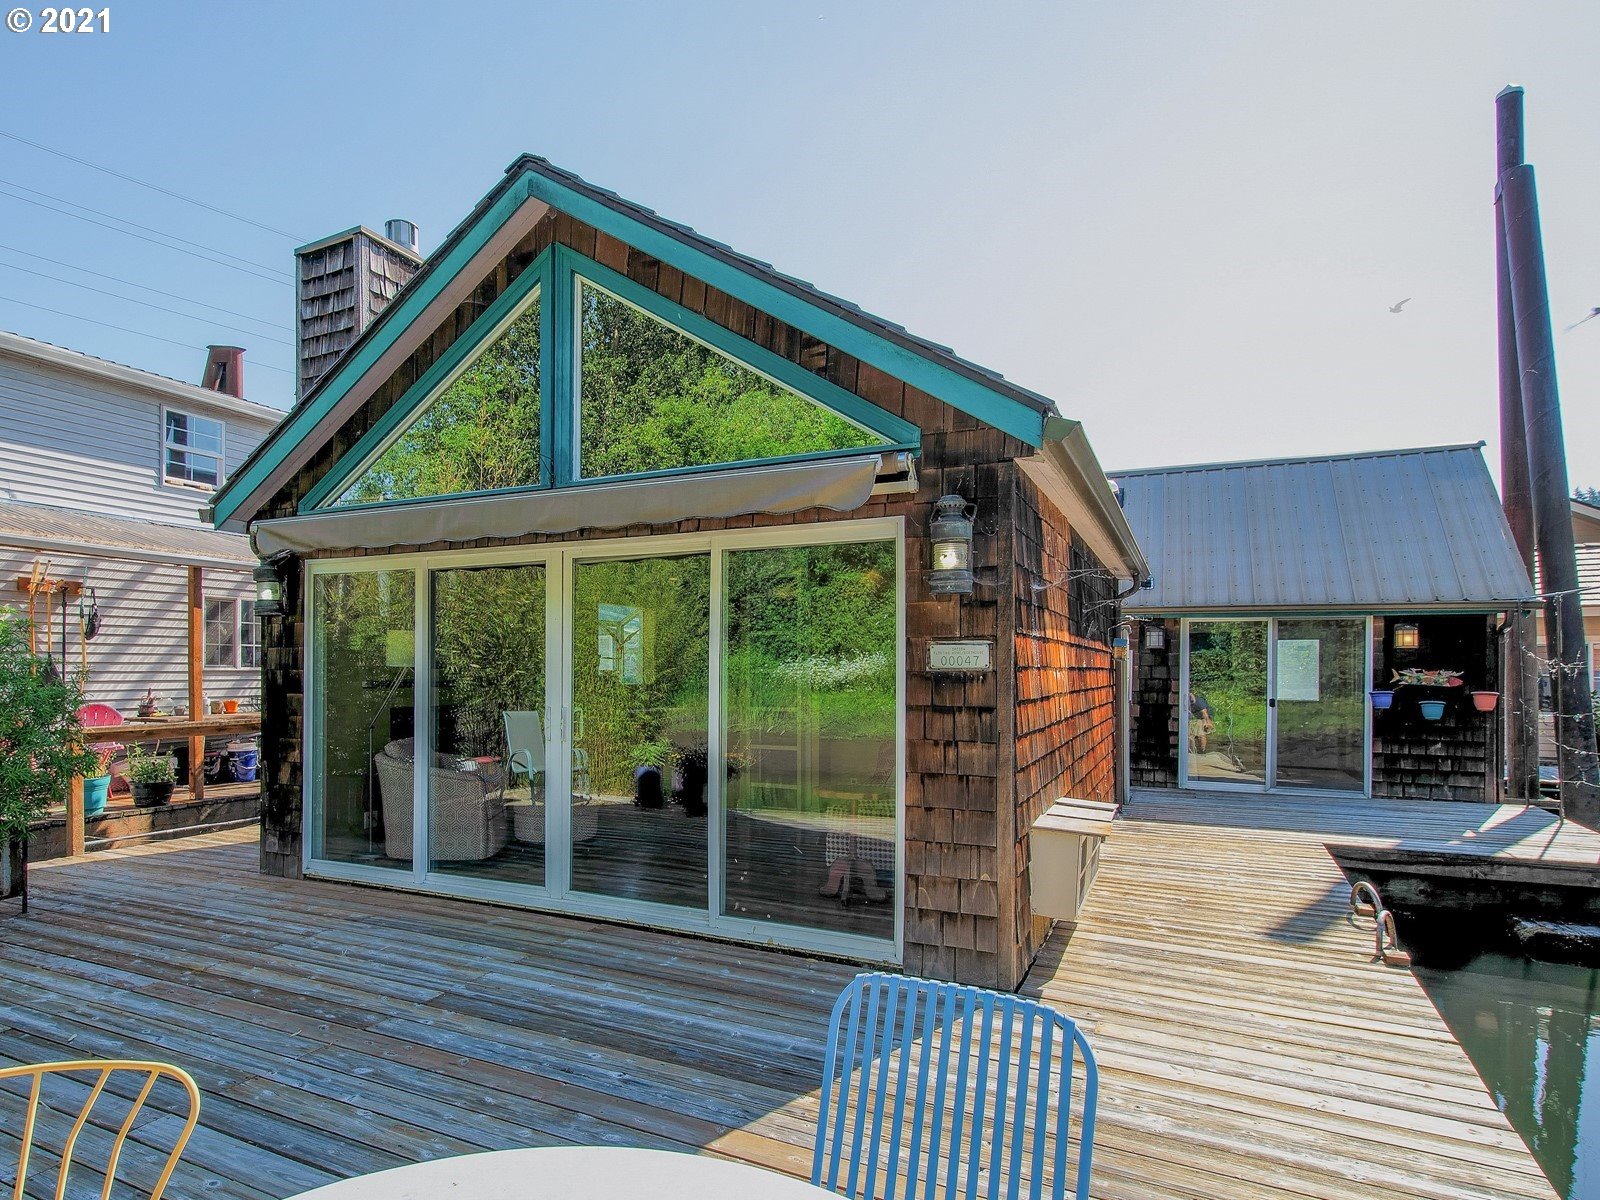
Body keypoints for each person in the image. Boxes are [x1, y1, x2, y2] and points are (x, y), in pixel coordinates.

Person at [1189, 688, 1215, 753]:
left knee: (1201, 734)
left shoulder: (1199, 701)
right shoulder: (1187, 700)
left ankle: (1202, 750)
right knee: (1191, 734)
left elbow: (1205, 713)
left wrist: (1208, 722)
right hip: (1195, 717)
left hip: (1204, 717)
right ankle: (1192, 750)